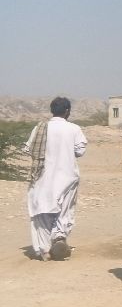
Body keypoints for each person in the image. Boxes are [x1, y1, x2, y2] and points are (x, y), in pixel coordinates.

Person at [23, 97, 88, 261]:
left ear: (52, 110)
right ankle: (59, 236)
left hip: (42, 178)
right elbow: (80, 150)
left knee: (42, 212)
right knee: (64, 210)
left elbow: (29, 148)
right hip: (67, 177)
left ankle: (44, 250)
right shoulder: (73, 129)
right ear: (67, 111)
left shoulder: (40, 128)